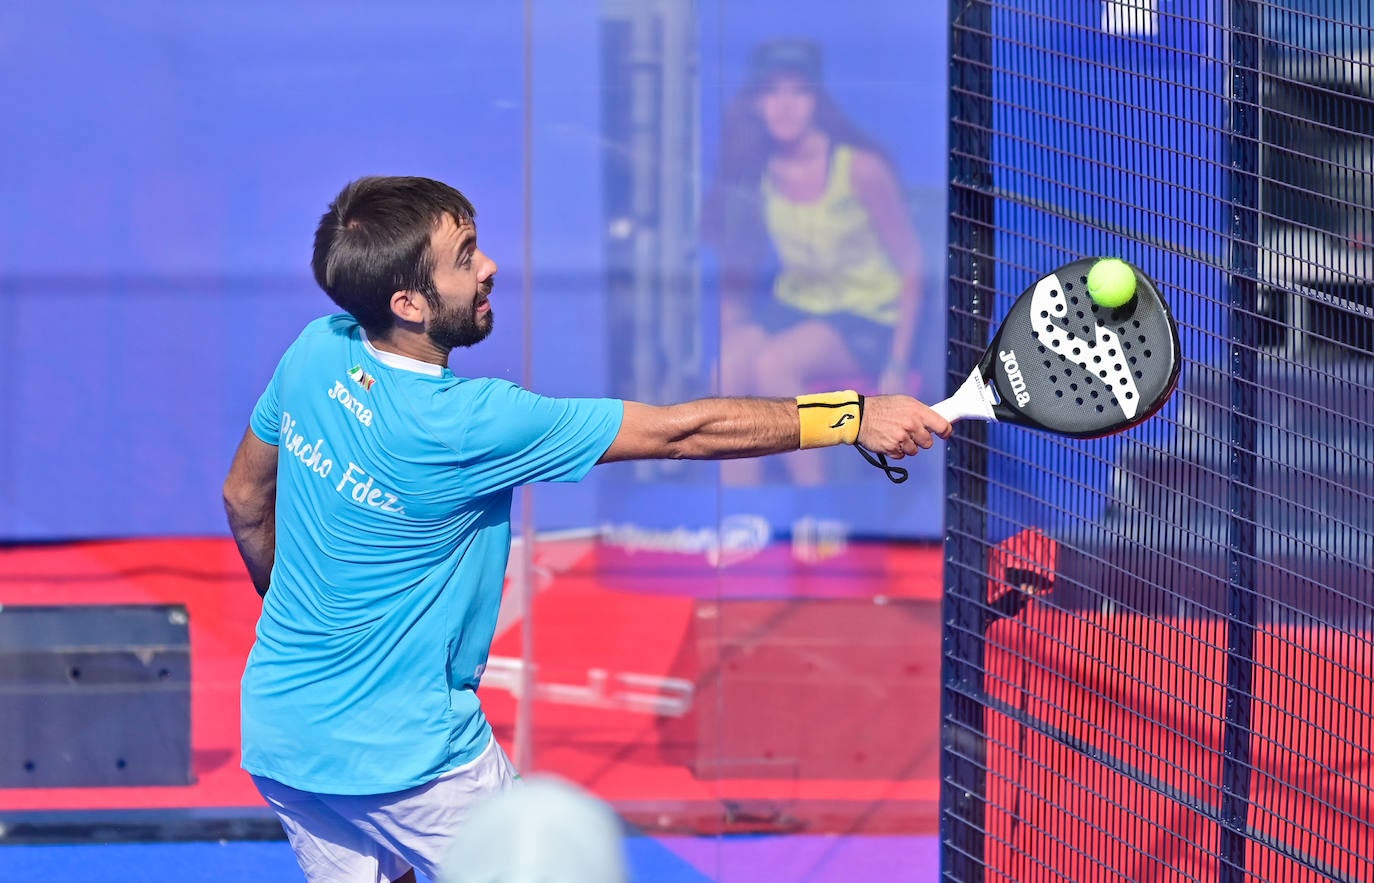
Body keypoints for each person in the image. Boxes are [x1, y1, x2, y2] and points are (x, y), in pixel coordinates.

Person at [221, 175, 949, 883]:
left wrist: (311, 626)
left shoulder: (317, 349)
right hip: (413, 762)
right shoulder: (473, 423)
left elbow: (245, 497)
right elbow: (680, 433)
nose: (490, 267)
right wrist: (853, 415)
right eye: (466, 256)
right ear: (408, 303)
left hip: (284, 733)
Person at [703, 39, 929, 485]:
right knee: (726, 369)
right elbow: (735, 268)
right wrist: (734, 331)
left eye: (797, 92)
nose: (784, 106)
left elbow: (913, 265)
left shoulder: (860, 168)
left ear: (816, 101)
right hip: (794, 309)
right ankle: (743, 519)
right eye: (772, 92)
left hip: (866, 318)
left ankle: (817, 514)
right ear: (757, 104)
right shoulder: (757, 171)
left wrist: (898, 363)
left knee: (774, 365)